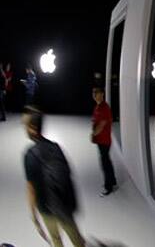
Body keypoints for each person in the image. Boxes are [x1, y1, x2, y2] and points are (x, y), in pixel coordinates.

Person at [22, 106, 85, 247]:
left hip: (45, 207)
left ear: (32, 128)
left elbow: (31, 189)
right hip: (64, 205)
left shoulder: (30, 155)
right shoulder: (56, 147)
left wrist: (34, 218)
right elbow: (68, 174)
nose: (24, 128)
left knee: (56, 238)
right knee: (77, 240)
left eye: (25, 125)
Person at [91, 87, 117, 196]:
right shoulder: (98, 107)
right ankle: (112, 181)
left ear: (102, 94)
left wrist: (93, 134)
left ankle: (108, 187)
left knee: (105, 163)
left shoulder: (104, 108)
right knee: (107, 161)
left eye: (97, 93)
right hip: (101, 140)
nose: (95, 95)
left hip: (104, 140)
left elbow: (102, 124)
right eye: (94, 93)